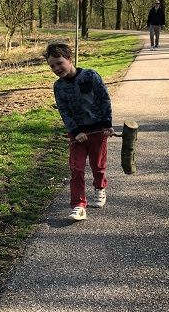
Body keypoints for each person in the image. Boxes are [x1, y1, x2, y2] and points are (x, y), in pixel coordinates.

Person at [43, 42, 115, 221]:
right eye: (52, 66)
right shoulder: (58, 87)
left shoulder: (90, 76)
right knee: (76, 168)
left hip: (98, 130)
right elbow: (63, 110)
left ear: (69, 59)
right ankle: (78, 205)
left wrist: (107, 124)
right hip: (77, 134)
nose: (56, 68)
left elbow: (104, 99)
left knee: (98, 165)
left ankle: (100, 187)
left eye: (59, 63)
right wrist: (75, 132)